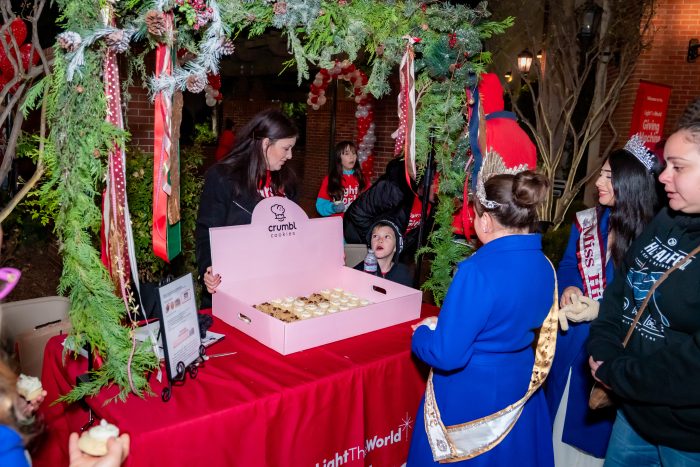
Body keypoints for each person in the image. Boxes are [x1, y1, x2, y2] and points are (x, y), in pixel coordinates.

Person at [407, 166, 556, 466]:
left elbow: (448, 355)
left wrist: (422, 335)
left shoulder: (477, 270)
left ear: (486, 221)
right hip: (518, 386)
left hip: (471, 396)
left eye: (474, 215)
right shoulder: (544, 264)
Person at [587, 122, 700, 465]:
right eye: (666, 165)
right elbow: (619, 292)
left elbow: (692, 368)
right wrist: (603, 351)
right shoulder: (665, 217)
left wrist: (615, 373)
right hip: (634, 415)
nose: (663, 176)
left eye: (678, 167)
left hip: (688, 438)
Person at [546, 135, 662, 466]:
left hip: (607, 353)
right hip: (569, 347)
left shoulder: (650, 237)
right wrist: (569, 288)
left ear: (630, 183)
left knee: (585, 444)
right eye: (601, 173)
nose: (598, 181)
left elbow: (647, 303)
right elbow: (569, 263)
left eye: (609, 176)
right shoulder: (588, 222)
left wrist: (602, 308)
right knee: (554, 426)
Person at [195, 109, 298, 307]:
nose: (290, 155)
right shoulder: (223, 177)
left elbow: (295, 232)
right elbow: (207, 230)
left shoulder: (288, 182)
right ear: (265, 143)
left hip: (277, 289)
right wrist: (208, 268)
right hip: (233, 289)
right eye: (286, 148)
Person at [344, 157, 428, 260]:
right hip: (359, 239)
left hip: (389, 253)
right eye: (434, 180)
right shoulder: (393, 189)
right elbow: (357, 213)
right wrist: (376, 239)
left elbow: (413, 236)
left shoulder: (432, 203)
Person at [353, 220, 412, 287]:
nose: (380, 240)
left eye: (387, 236)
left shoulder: (403, 274)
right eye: (375, 236)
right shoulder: (357, 272)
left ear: (396, 247)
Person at [316, 141, 366, 217]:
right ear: (339, 157)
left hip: (357, 224)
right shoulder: (329, 179)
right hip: (337, 224)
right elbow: (320, 206)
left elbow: (369, 202)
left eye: (354, 153)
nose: (351, 157)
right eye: (347, 153)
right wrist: (333, 208)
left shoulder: (362, 178)